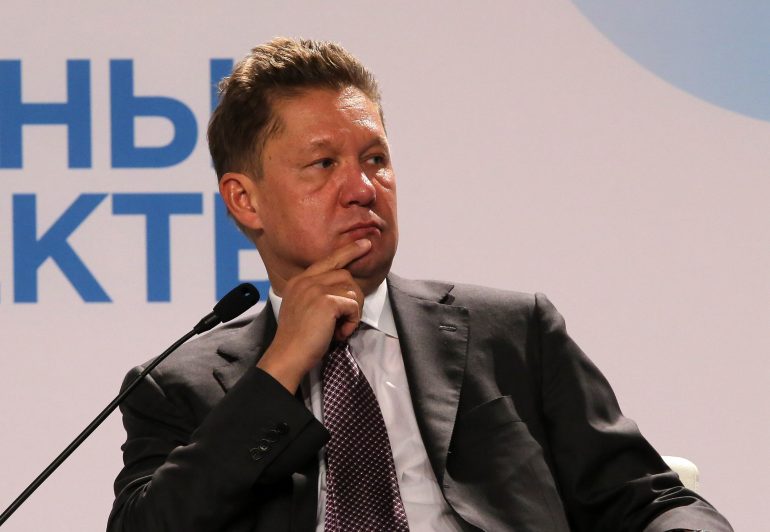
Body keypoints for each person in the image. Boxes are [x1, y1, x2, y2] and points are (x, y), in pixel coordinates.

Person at [108, 37, 733, 531]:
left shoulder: (514, 332)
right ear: (245, 201)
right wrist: (281, 367)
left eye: (375, 159)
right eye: (324, 164)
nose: (363, 189)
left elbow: (649, 500)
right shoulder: (177, 388)